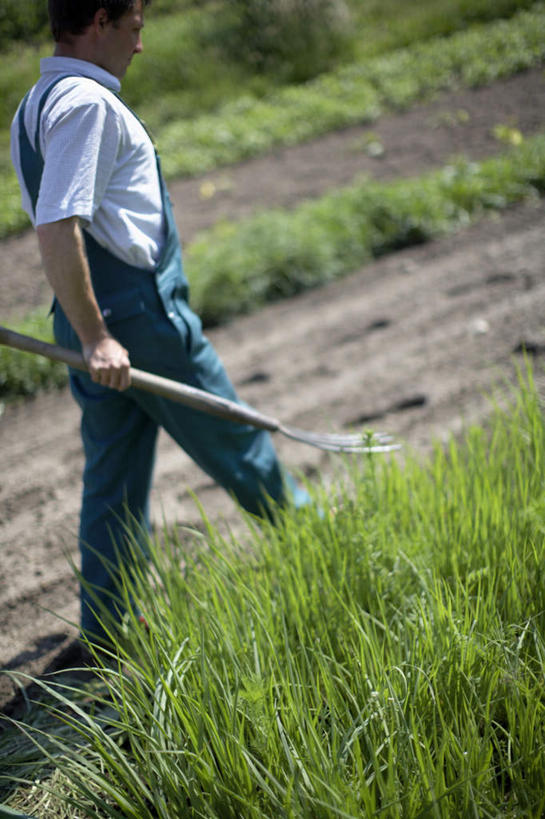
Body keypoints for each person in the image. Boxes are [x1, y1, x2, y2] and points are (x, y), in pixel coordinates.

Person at [11, 0, 310, 646]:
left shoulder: (34, 103)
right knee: (234, 437)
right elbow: (58, 225)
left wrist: (87, 330)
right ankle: (321, 546)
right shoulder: (85, 104)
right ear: (98, 20)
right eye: (134, 28)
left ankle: (109, 632)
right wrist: (100, 336)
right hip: (135, 320)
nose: (140, 46)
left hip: (93, 317)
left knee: (112, 482)